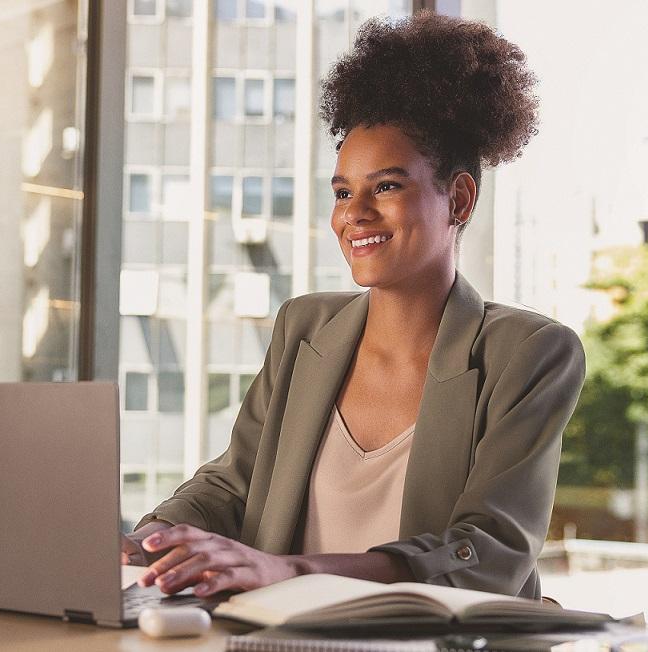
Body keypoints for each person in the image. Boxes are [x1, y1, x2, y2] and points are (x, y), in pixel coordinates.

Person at [122, 11, 584, 601]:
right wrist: (149, 542)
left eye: (386, 186)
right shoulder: (305, 327)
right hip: (282, 635)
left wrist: (291, 570)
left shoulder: (529, 353)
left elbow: (488, 549)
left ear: (460, 197)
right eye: (343, 191)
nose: (354, 214)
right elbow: (233, 483)